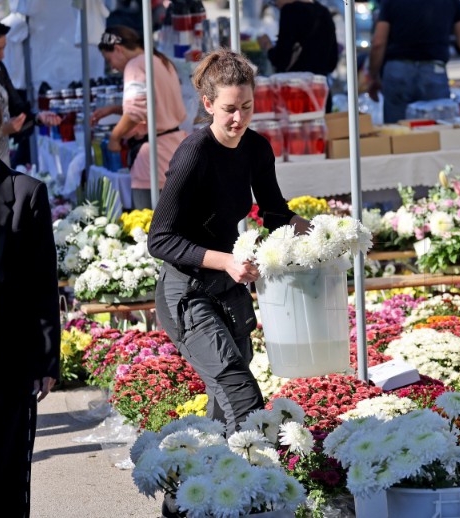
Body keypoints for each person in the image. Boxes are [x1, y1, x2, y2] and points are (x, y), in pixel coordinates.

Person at [148, 48, 311, 438]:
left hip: (227, 289)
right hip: (186, 292)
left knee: (226, 406)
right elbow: (160, 239)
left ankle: (203, 489)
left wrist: (303, 225)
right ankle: (257, 485)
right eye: (228, 109)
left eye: (247, 107)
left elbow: (273, 211)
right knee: (242, 398)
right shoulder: (193, 153)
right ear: (208, 104)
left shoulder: (256, 147)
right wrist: (226, 261)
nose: (239, 118)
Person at [0, 90, 60, 517]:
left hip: (7, 356)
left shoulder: (26, 192)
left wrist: (47, 360)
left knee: (7, 469)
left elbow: (42, 281)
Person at [92, 25, 187, 210]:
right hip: (175, 148)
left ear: (118, 49)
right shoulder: (159, 60)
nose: (112, 66)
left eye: (109, 59)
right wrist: (114, 109)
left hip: (152, 157)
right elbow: (154, 105)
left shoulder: (134, 65)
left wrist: (115, 137)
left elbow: (136, 112)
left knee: (148, 226)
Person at [367, 0, 460, 123]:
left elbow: (378, 43)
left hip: (398, 71)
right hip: (434, 71)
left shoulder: (391, 2)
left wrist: (373, 77)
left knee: (397, 133)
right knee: (436, 131)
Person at [0, 18, 61, 167]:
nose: (2, 55)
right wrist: (3, 130)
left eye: (3, 48)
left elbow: (17, 107)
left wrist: (38, 117)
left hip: (0, 157)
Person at [256, 0, 339, 112]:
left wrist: (268, 45)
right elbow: (332, 63)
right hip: (321, 94)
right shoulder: (324, 12)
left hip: (295, 95)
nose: (276, 5)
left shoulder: (290, 10)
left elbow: (281, 60)